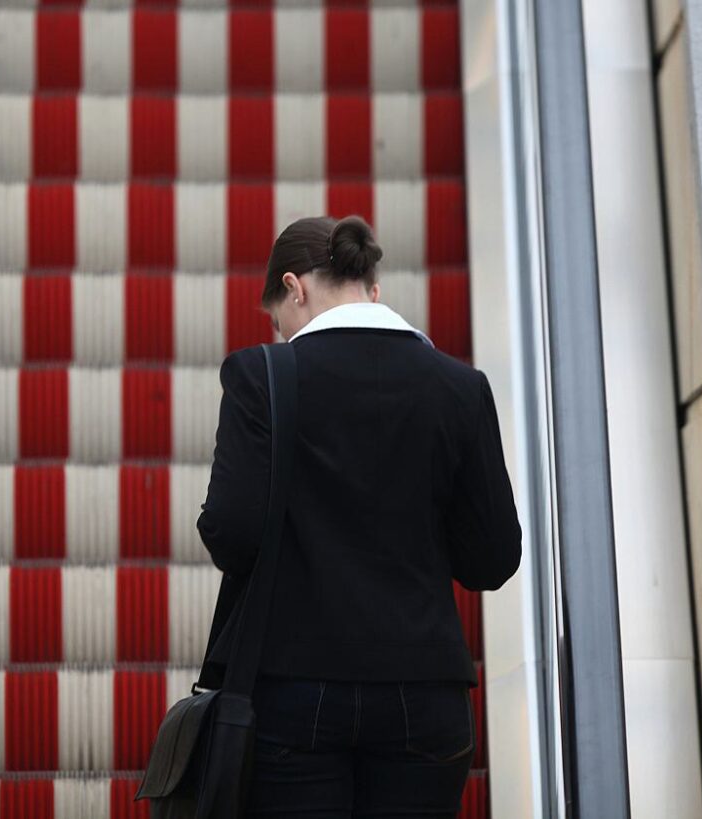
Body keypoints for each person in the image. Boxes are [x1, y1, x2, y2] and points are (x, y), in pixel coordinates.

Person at [195, 214, 522, 818]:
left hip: (295, 688)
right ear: (372, 288)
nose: (281, 335)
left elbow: (232, 533)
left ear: (294, 288)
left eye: (278, 320)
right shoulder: (459, 387)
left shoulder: (262, 376)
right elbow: (492, 559)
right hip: (425, 692)